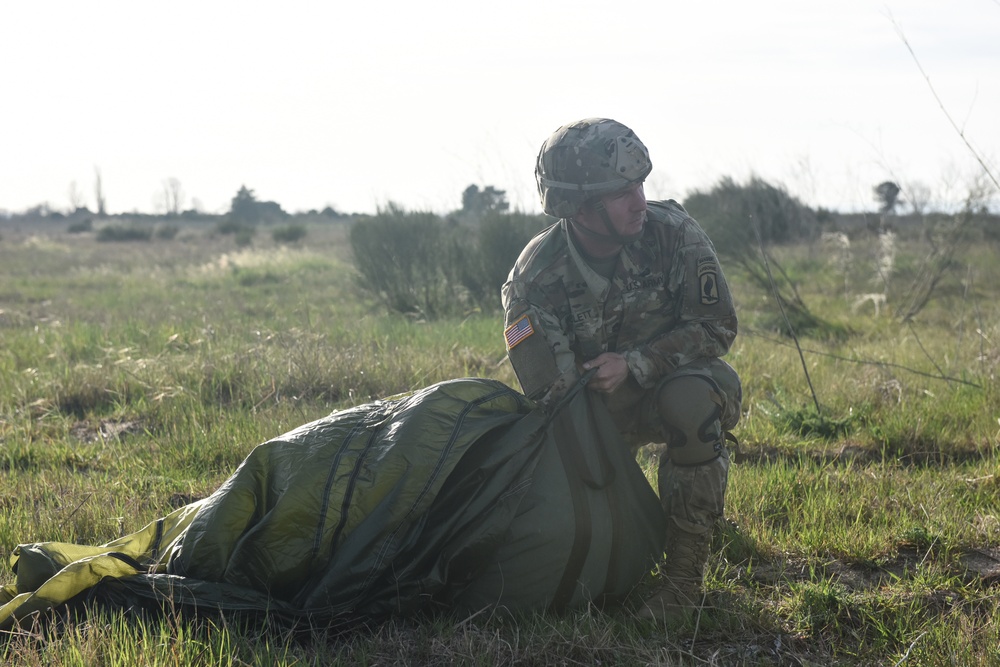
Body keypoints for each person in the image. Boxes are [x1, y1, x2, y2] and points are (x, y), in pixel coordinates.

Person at [501, 118, 742, 621]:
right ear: (580, 210)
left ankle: (682, 584)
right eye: (622, 193)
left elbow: (717, 326)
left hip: (672, 389)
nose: (639, 202)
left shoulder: (673, 233)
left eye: (640, 186)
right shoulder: (534, 279)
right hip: (591, 412)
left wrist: (636, 364)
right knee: (566, 459)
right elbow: (553, 395)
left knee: (690, 405)